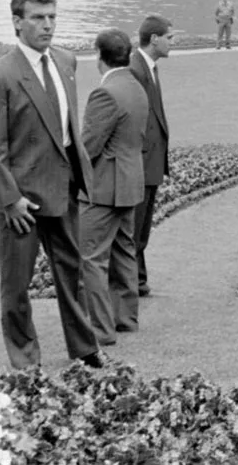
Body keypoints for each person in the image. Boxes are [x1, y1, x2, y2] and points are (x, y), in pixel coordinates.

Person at [0, 0, 102, 369]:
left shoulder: (65, 61)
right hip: (23, 199)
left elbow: (65, 129)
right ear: (17, 22)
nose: (48, 25)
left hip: (63, 187)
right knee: (17, 286)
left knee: (72, 273)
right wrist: (9, 199)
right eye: (38, 18)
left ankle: (85, 349)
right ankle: (26, 361)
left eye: (52, 17)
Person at [79, 29, 148, 346]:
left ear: (99, 56)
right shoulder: (136, 86)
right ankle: (125, 318)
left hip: (105, 187)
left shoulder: (105, 93)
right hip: (130, 181)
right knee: (123, 253)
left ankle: (100, 328)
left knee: (92, 258)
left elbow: (88, 146)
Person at [129, 14, 173, 298]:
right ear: (154, 39)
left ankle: (138, 280)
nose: (172, 42)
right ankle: (130, 282)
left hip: (151, 163)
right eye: (169, 37)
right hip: (140, 164)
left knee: (141, 229)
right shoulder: (135, 70)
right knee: (134, 229)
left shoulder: (150, 68)